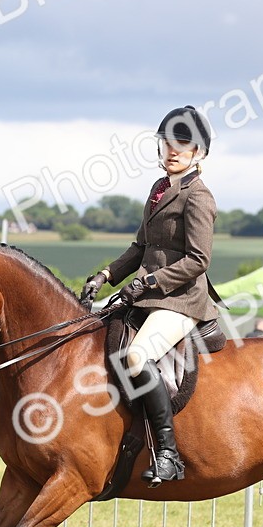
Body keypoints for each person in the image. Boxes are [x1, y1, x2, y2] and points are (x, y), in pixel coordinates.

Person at [78, 106, 218, 484]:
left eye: (182, 144)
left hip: (180, 300)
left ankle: (169, 454)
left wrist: (149, 283)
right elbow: (140, 248)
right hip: (147, 296)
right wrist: (105, 276)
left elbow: (198, 260)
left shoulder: (198, 197)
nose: (173, 151)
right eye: (168, 143)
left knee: (137, 357)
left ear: (198, 153)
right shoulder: (158, 191)